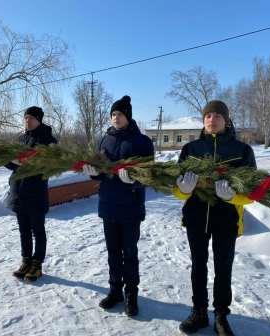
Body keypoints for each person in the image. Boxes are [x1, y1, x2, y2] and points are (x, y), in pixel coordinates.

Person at [173, 100, 256, 335]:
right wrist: (184, 190)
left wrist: (232, 197)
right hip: (196, 217)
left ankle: (221, 315)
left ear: (226, 120)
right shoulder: (191, 149)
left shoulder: (241, 150)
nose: (212, 119)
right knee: (198, 266)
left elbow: (252, 193)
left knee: (223, 267)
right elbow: (177, 187)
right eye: (208, 116)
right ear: (203, 121)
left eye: (217, 115)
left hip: (226, 219)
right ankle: (199, 312)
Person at [82, 95, 154, 316]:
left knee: (129, 252)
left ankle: (131, 295)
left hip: (130, 207)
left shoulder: (142, 141)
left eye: (119, 114)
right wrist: (94, 174)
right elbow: (101, 171)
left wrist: (134, 180)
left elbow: (150, 174)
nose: (115, 118)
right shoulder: (105, 140)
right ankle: (115, 291)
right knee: (113, 252)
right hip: (108, 205)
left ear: (128, 116)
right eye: (113, 114)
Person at [5, 106, 57, 282]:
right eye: (25, 118)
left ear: (39, 120)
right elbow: (14, 165)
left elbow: (46, 166)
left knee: (38, 230)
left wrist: (23, 163)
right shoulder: (21, 138)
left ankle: (37, 265)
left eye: (31, 118)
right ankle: (26, 260)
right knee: (23, 230)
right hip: (19, 192)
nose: (27, 121)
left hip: (35, 194)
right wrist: (9, 161)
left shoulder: (48, 140)